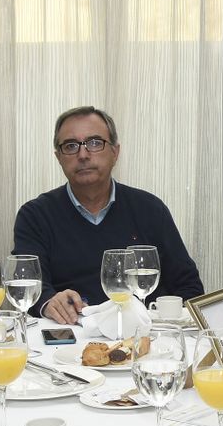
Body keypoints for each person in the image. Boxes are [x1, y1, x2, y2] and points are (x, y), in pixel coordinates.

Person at [15, 105, 204, 324]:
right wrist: (49, 303)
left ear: (115, 152)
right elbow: (27, 286)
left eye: (95, 143)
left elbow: (189, 287)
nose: (83, 154)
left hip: (145, 339)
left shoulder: (149, 209)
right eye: (70, 146)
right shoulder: (35, 215)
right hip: (71, 340)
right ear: (58, 157)